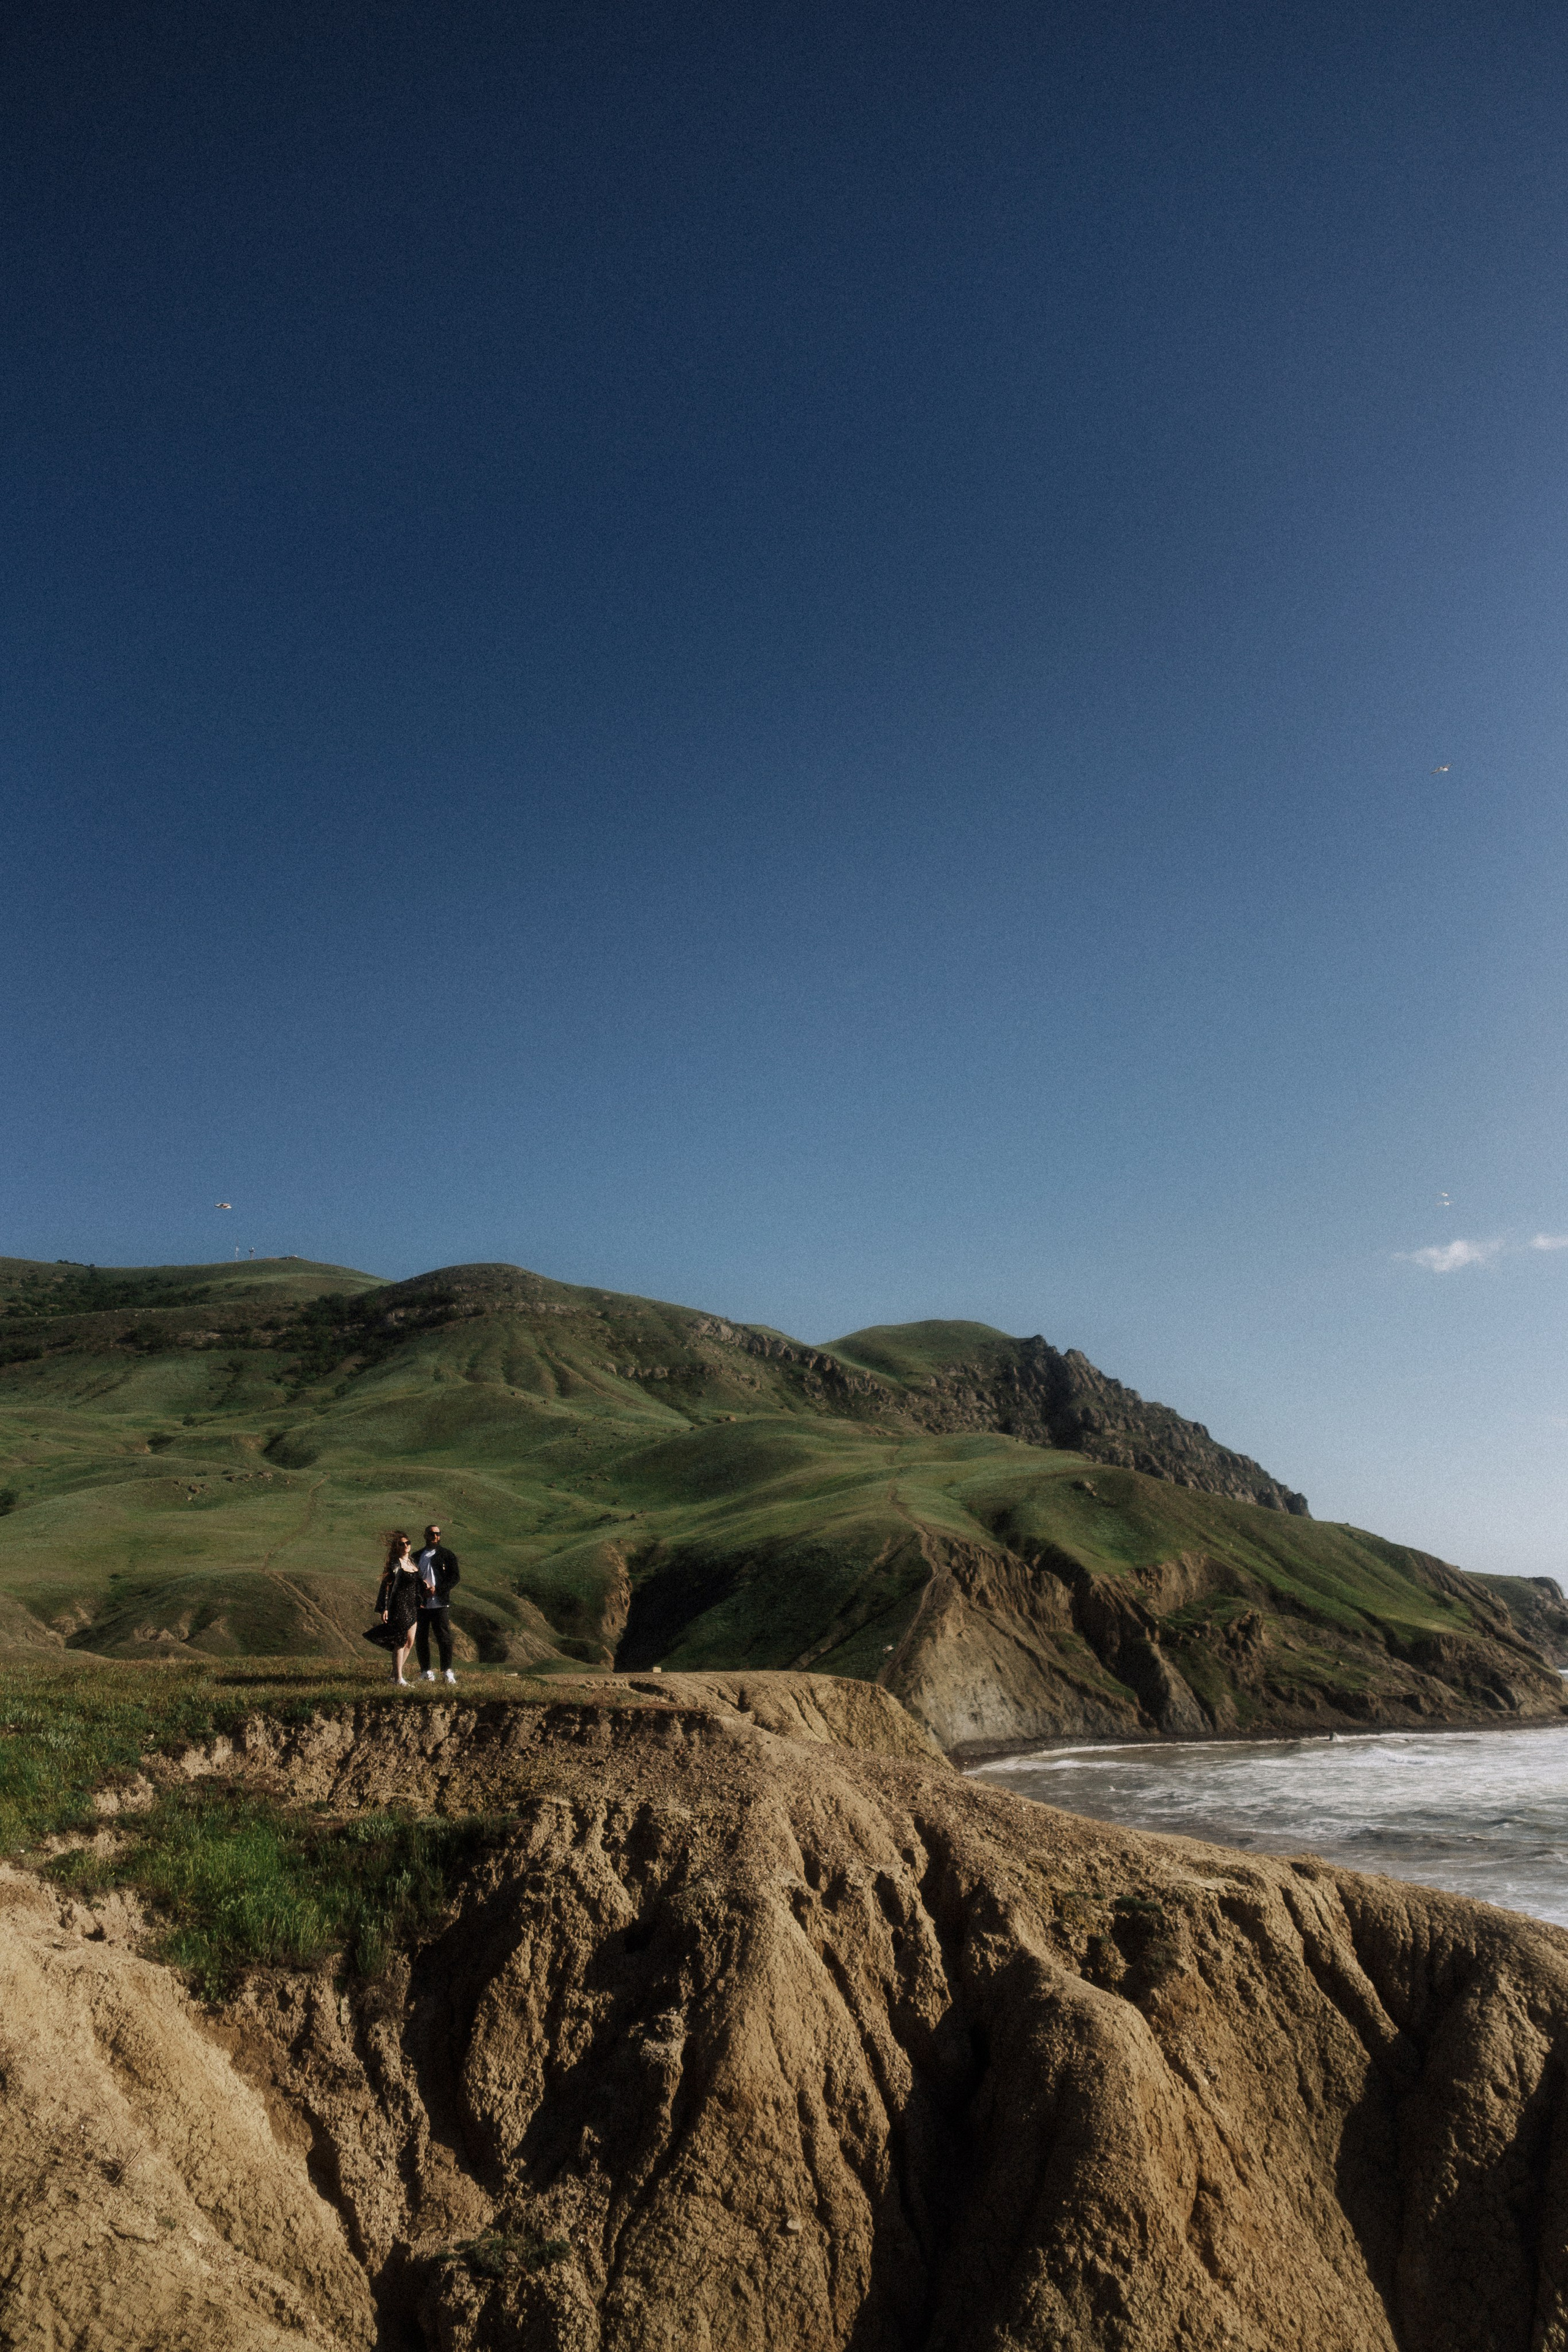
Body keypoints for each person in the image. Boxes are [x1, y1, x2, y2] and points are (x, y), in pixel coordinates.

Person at [415, 1521, 461, 1683]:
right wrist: (422, 1591)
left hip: (440, 1602)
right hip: (422, 1604)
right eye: (432, 1534)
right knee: (421, 1637)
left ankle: (447, 1671)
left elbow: (455, 1578)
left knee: (443, 1637)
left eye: (438, 1534)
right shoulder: (417, 1556)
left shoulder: (447, 1555)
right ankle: (426, 1671)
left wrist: (438, 1589)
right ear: (425, 1536)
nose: (435, 1536)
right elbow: (412, 1579)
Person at [374, 1531, 421, 1686]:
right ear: (397, 1547)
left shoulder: (413, 1563)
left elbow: (416, 1585)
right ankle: (398, 1679)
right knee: (400, 1641)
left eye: (407, 1543)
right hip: (399, 1605)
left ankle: (394, 1675)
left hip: (412, 1606)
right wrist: (385, 1608)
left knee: (410, 1642)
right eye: (401, 1544)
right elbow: (387, 1586)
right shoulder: (395, 1564)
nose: (405, 1546)